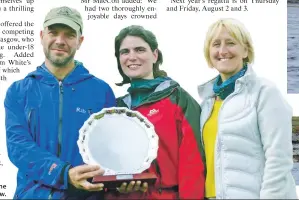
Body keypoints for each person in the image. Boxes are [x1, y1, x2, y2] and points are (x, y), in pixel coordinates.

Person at [4, 6, 116, 199]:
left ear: (80, 41)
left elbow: (111, 149)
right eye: (53, 33)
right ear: (41, 36)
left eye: (69, 35)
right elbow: (18, 146)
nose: (60, 41)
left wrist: (122, 179)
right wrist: (63, 173)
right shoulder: (18, 91)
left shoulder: (102, 92)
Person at [198, 18, 297, 199]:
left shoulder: (265, 93)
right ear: (209, 53)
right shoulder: (207, 102)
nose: (222, 51)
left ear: (245, 50)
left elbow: (279, 159)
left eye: (231, 43)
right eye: (216, 44)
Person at [104, 25, 205, 200]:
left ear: (155, 55)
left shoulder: (177, 98)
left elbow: (193, 164)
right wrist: (116, 188)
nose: (132, 57)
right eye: (125, 52)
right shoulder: (116, 108)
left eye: (140, 49)